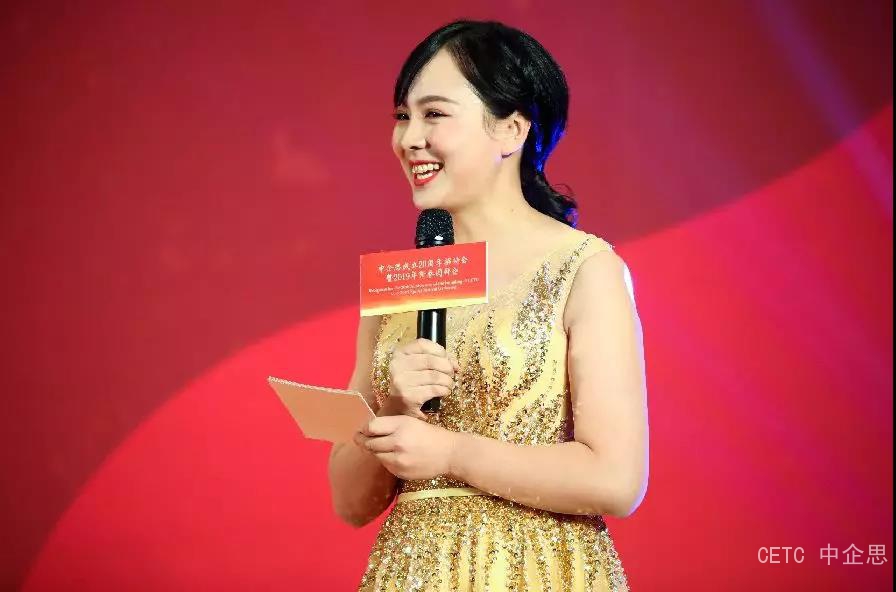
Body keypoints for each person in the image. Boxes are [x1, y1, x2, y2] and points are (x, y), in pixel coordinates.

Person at [328, 19, 648, 591]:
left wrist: (451, 452)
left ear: (510, 129)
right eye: (402, 116)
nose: (409, 139)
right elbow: (350, 503)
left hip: (538, 569)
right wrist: (394, 408)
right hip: (411, 574)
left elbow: (616, 478)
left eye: (434, 114)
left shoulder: (583, 267)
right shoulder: (400, 285)